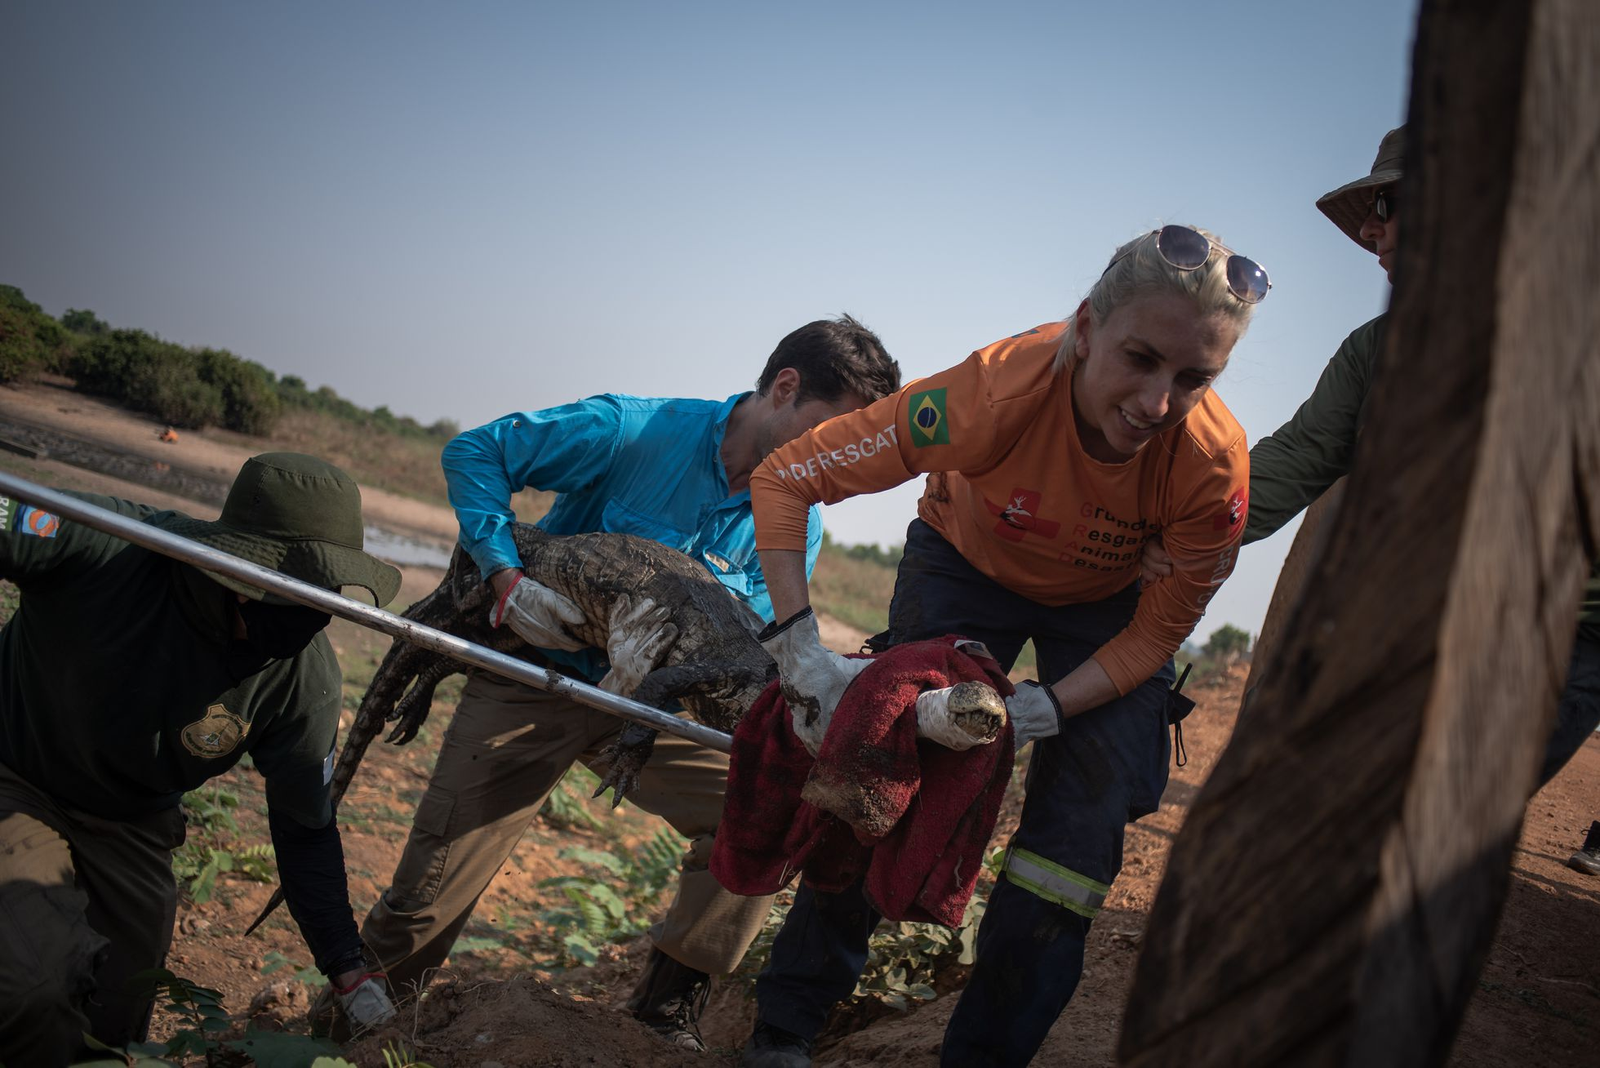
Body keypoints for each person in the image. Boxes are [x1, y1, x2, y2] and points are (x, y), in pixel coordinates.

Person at [738, 226, 1265, 1067]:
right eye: (1139, 359)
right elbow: (786, 476)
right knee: (886, 758)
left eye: (1195, 378)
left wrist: (1053, 707)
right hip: (966, 564)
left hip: (1108, 607)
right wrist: (798, 647)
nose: (1157, 404)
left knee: (1081, 833)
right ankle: (787, 1026)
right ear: (1086, 329)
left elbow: (1162, 628)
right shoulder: (994, 392)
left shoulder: (1210, 467)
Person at [354, 316, 902, 1049]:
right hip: (537, 671)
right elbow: (476, 451)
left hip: (659, 705)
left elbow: (750, 645)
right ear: (785, 387)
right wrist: (506, 576)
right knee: (429, 896)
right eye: (832, 435)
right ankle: (354, 1026)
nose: (838, 463)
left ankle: (666, 1008)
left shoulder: (797, 520)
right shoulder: (631, 430)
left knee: (769, 811)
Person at [1144, 126, 1600, 817]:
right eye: (1371, 218)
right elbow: (1289, 467)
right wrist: (1152, 525)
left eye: (1389, 208)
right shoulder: (1377, 353)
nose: (1373, 236)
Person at [0, 452, 403, 1065]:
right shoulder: (111, 546)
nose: (309, 611)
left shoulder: (300, 678)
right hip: (18, 773)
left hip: (133, 820)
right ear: (237, 563)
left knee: (115, 1024)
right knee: (31, 988)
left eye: (325, 590)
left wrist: (346, 966)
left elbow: (305, 829)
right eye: (289, 584)